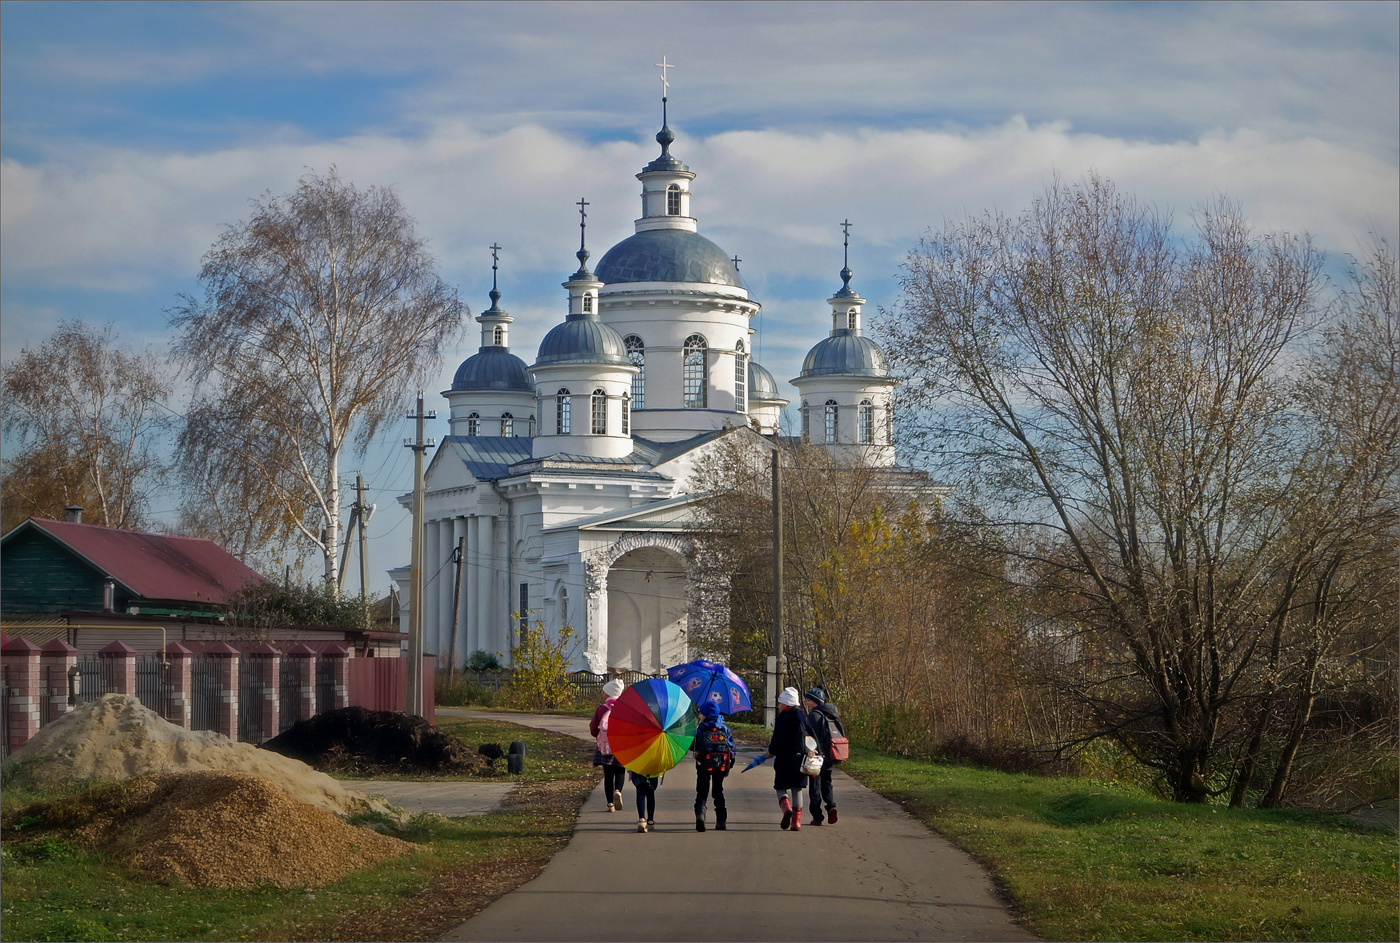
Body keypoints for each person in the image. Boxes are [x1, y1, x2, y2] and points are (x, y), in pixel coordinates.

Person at [766, 686, 811, 830]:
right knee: (797, 789)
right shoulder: (804, 718)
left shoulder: (782, 719)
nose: (778, 706)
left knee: (780, 787)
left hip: (784, 759)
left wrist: (771, 752)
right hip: (800, 760)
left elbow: (777, 739)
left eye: (780, 703)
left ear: (786, 703)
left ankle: (786, 809)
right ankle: (796, 822)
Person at [692, 699, 735, 832]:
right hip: (721, 765)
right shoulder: (724, 728)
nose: (699, 715)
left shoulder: (701, 728)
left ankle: (700, 816)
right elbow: (731, 749)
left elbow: (694, 746)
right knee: (718, 791)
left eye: (701, 713)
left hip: (703, 764)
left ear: (705, 714)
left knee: (702, 792)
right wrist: (729, 766)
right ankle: (721, 821)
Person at [803, 686, 842, 825]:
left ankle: (817, 817)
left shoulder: (814, 715)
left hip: (817, 757)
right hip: (830, 754)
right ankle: (831, 806)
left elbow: (809, 736)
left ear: (815, 701)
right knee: (827, 783)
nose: (807, 702)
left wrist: (809, 751)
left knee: (815, 786)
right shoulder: (830, 714)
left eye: (809, 700)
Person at [589, 678, 626, 812]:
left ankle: (610, 804)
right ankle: (618, 790)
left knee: (608, 774)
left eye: (604, 692)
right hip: (621, 746)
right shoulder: (625, 709)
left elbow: (593, 727)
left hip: (605, 747)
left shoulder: (601, 709)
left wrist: (598, 736)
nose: (603, 694)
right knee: (620, 770)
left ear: (609, 694)